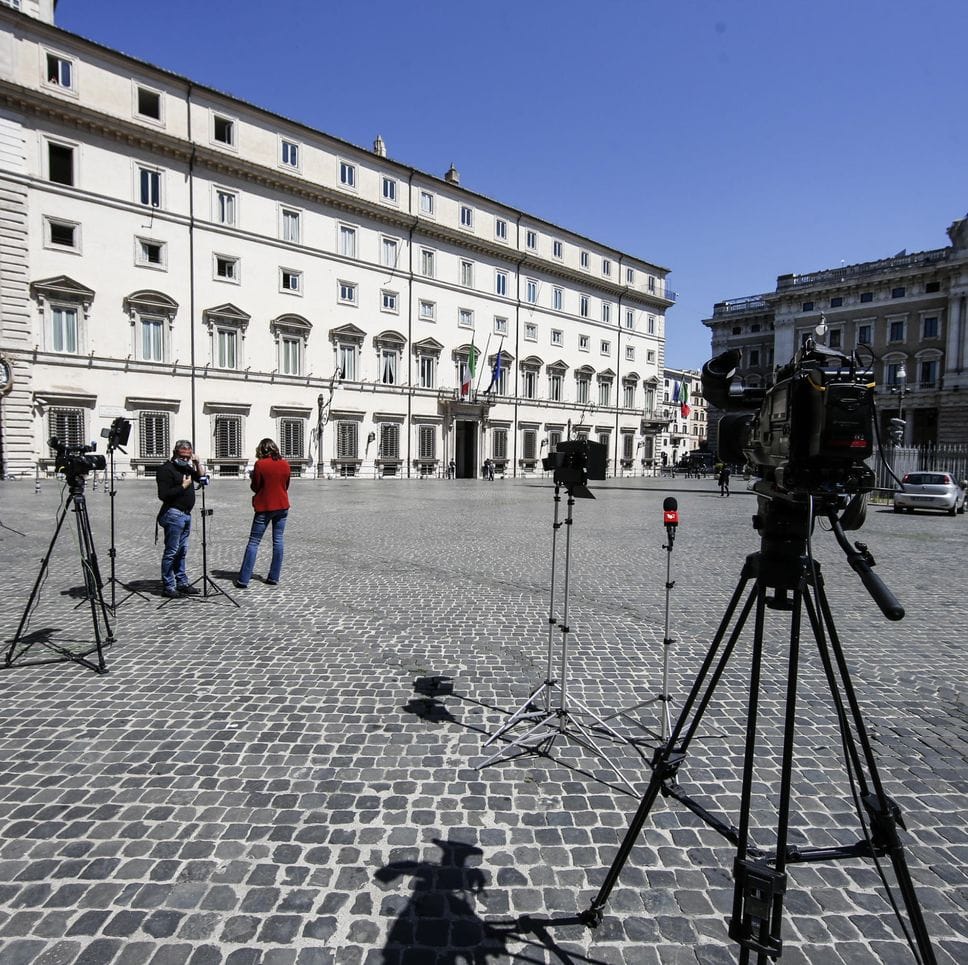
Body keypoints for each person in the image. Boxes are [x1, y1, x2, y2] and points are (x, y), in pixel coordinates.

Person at [235, 438, 291, 589]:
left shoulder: (260, 464)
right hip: (282, 506)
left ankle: (244, 579)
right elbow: (286, 485)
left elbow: (256, 487)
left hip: (265, 507)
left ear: (261, 450)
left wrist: (253, 477)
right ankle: (274, 577)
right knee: (278, 541)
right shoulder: (285, 464)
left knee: (254, 542)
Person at [156, 439, 206, 598]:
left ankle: (182, 582)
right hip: (173, 514)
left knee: (182, 551)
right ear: (175, 453)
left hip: (186, 514)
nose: (185, 459)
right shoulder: (166, 470)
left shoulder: (188, 468)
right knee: (171, 551)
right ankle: (169, 586)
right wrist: (182, 487)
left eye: (188, 456)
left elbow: (201, 478)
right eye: (182, 456)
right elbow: (163, 495)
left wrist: (197, 464)